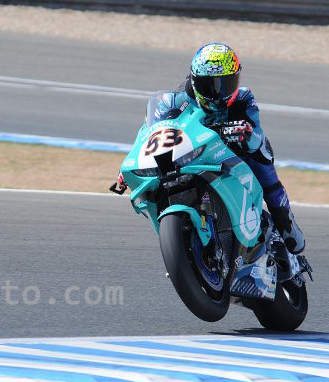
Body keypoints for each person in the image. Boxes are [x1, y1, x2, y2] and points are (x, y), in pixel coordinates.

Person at [123, 42, 306, 253]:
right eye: (208, 85)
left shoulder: (243, 99)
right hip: (196, 154)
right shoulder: (172, 101)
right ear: (193, 79)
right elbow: (151, 133)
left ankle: (286, 222)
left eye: (226, 84)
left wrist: (246, 133)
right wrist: (136, 160)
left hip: (232, 152)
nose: (217, 92)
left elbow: (256, 135)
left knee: (261, 156)